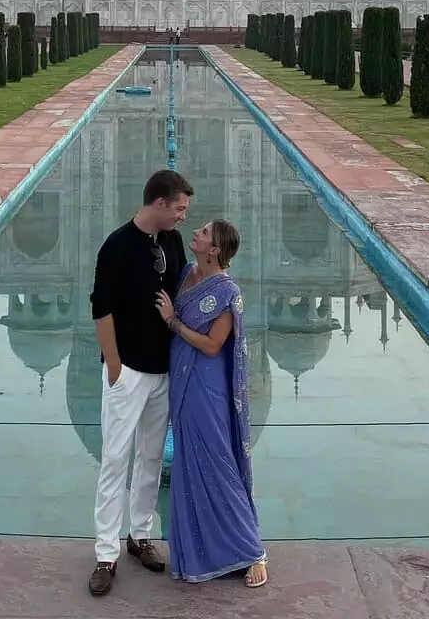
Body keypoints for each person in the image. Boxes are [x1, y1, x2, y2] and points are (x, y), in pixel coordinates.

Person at [88, 169, 193, 597]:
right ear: (159, 203)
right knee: (115, 459)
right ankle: (105, 553)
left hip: (162, 370)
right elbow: (101, 309)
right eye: (180, 208)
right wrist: (114, 366)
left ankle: (140, 536)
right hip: (127, 370)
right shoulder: (117, 246)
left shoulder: (171, 241)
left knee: (151, 458)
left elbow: (184, 292)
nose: (184, 216)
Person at [156, 219, 268, 589]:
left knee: (219, 463)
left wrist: (172, 322)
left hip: (207, 387)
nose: (197, 234)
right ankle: (203, 552)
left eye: (203, 233)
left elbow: (212, 345)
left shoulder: (227, 291)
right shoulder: (188, 272)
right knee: (189, 466)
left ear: (215, 249)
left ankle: (253, 551)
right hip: (182, 382)